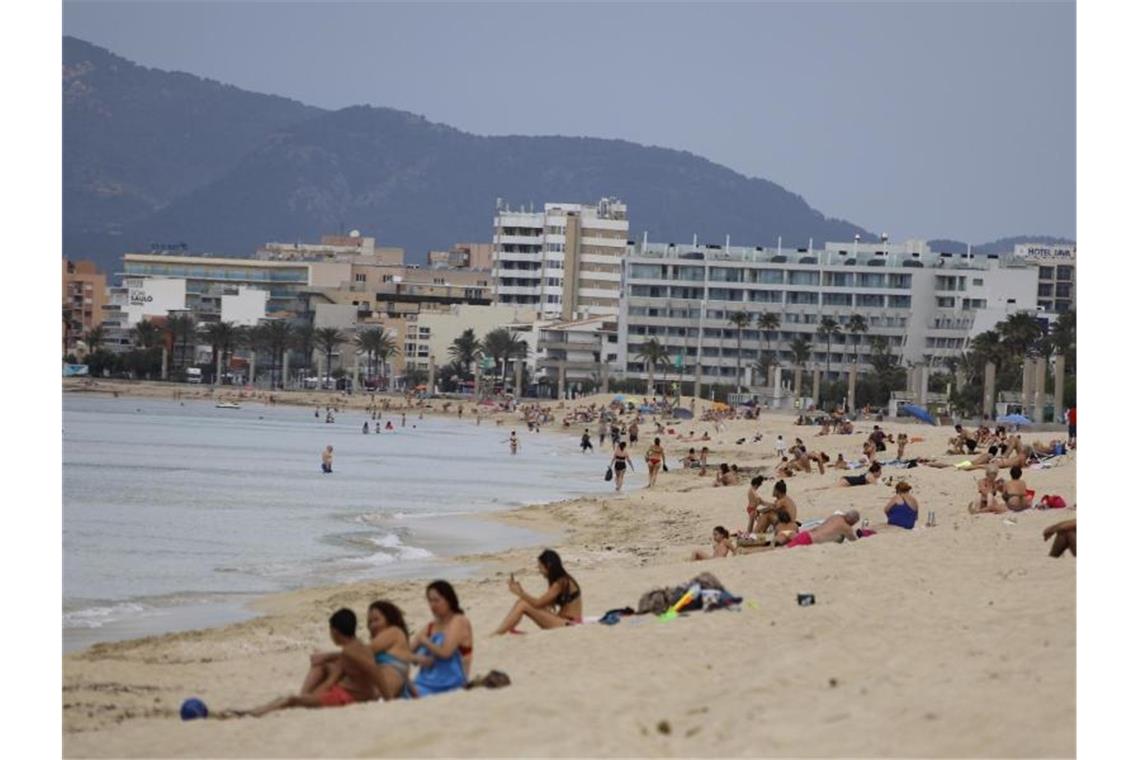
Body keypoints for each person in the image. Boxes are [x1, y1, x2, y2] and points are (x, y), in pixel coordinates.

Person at [227, 609, 380, 717]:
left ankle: (255, 713)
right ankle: (303, 697)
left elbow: (330, 683)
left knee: (290, 699)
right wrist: (328, 658)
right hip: (357, 693)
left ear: (335, 632)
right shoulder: (358, 646)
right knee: (321, 664)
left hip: (345, 698)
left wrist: (307, 699)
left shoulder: (347, 654)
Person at [492, 549, 583, 633]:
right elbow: (543, 604)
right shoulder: (563, 580)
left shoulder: (560, 583)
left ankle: (498, 633)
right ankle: (505, 629)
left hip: (568, 624)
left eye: (540, 567)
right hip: (564, 621)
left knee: (522, 604)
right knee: (523, 602)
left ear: (548, 566)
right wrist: (521, 591)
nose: (540, 570)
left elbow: (538, 603)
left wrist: (519, 593)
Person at [410, 581, 473, 695]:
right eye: (430, 601)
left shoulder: (458, 621)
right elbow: (404, 652)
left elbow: (446, 652)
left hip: (451, 684)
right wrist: (418, 658)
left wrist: (424, 641)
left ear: (448, 600)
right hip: (424, 681)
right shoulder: (431, 626)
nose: (432, 605)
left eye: (437, 600)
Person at [783, 510, 862, 548]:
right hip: (809, 541)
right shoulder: (846, 527)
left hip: (805, 534)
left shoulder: (835, 517)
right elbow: (854, 541)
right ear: (853, 522)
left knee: (784, 549)